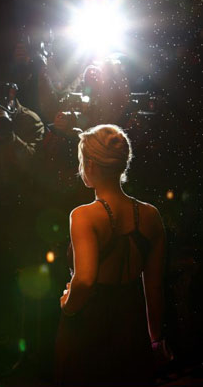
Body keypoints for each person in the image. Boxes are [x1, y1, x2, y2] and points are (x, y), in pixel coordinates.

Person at [55, 124, 166, 386]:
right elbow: (154, 287)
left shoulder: (83, 215)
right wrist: (155, 339)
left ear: (91, 165)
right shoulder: (151, 215)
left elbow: (85, 280)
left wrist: (67, 306)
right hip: (132, 326)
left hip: (89, 327)